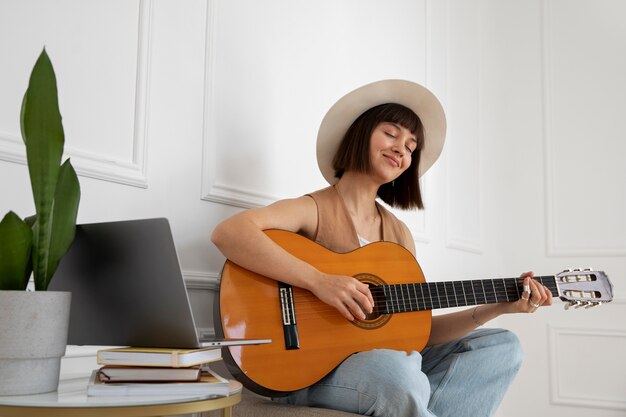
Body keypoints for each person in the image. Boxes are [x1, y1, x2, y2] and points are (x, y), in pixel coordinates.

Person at [211, 79, 553, 417]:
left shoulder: (399, 234)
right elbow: (230, 232)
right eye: (391, 133)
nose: (402, 148)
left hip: (389, 367)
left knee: (500, 346)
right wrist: (319, 281)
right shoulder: (315, 208)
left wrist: (496, 307)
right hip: (306, 371)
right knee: (399, 373)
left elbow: (418, 332)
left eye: (411, 145)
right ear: (360, 136)